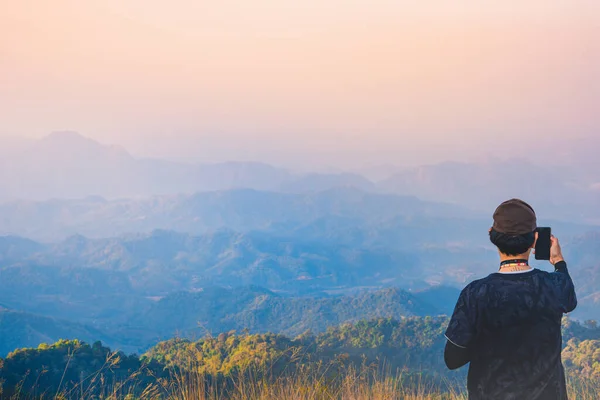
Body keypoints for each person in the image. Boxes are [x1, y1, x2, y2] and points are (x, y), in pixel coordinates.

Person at [444, 199, 577, 400]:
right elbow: (569, 298)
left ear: (491, 235)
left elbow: (452, 359)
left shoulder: (476, 293)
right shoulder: (553, 286)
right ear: (534, 240)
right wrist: (558, 261)